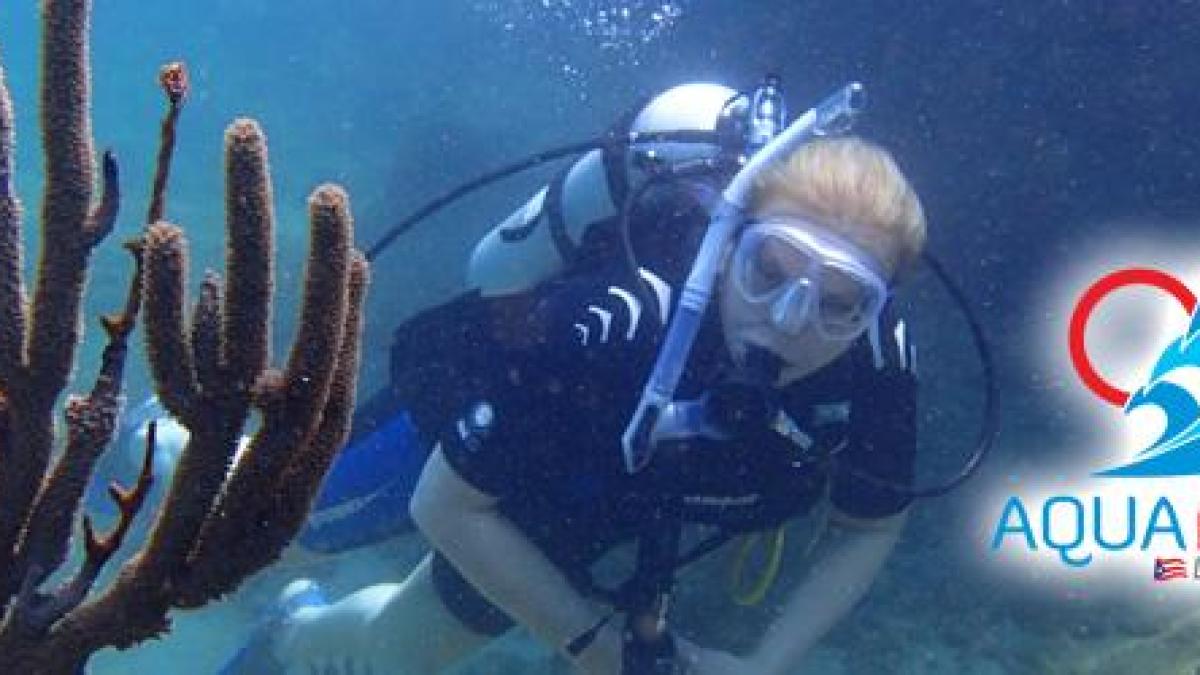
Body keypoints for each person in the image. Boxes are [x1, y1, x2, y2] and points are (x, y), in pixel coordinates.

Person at [224, 81, 925, 675]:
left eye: (841, 302)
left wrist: (762, 666)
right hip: (511, 405)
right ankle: (160, 443)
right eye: (768, 269)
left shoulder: (878, 366)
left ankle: (289, 631)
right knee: (265, 519)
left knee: (398, 652)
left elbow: (867, 527)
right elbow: (442, 504)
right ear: (728, 245)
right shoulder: (618, 319)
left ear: (878, 310)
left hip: (596, 494)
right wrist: (592, 644)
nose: (791, 318)